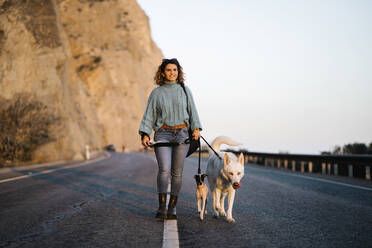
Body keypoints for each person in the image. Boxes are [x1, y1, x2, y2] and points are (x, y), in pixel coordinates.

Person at [139, 58, 202, 220]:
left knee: (177, 173)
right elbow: (149, 115)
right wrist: (145, 133)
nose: (172, 73)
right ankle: (162, 207)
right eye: (168, 70)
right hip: (162, 134)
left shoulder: (185, 90)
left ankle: (172, 208)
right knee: (164, 169)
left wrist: (196, 128)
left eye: (175, 70)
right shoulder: (156, 93)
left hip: (182, 133)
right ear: (162, 73)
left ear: (178, 72)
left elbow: (192, 111)